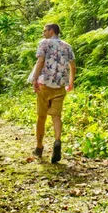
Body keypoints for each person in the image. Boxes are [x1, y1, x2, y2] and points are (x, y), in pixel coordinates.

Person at [31, 23, 75, 163]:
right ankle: (57, 140)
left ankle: (39, 147)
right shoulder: (67, 46)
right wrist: (71, 83)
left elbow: (40, 61)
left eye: (45, 30)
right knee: (56, 116)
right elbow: (72, 66)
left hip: (44, 85)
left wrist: (35, 79)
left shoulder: (44, 43)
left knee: (41, 117)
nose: (43, 33)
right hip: (60, 86)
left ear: (51, 31)